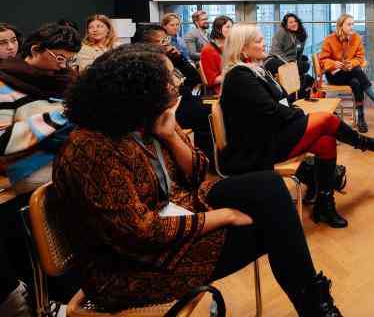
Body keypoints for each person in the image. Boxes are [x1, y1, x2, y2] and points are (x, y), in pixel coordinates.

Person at [52, 44, 343, 315]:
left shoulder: (151, 121)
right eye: (166, 80)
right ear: (136, 92)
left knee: (267, 186)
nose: (176, 83)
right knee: (273, 229)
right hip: (128, 267)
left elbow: (196, 175)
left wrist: (169, 136)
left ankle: (317, 306)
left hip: (177, 211)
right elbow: (142, 232)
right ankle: (318, 308)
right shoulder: (91, 148)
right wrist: (223, 216)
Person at [220, 24, 374, 229]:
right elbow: (272, 110)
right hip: (258, 147)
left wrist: (294, 112)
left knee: (326, 140)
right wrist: (299, 114)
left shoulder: (256, 69)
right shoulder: (239, 76)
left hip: (271, 132)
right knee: (327, 120)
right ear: (243, 48)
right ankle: (370, 144)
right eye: (258, 41)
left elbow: (280, 102)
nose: (264, 42)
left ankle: (325, 203)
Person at [0, 23, 80, 193]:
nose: (64, 65)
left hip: (71, 153)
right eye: (60, 58)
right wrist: (59, 118)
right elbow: (2, 139)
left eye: (70, 59)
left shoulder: (64, 78)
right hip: (31, 167)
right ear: (36, 50)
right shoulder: (4, 84)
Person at [132, 25, 214, 161]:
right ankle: (205, 159)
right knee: (208, 113)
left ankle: (205, 158)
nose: (167, 44)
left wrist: (179, 59)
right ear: (145, 45)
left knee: (213, 109)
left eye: (167, 40)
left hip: (183, 101)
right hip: (166, 110)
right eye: (162, 41)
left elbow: (195, 79)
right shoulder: (142, 64)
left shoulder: (168, 58)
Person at [319, 14, 374, 133]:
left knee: (356, 82)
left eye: (352, 24)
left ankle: (361, 117)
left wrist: (352, 63)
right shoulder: (329, 39)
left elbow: (360, 58)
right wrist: (334, 63)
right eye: (349, 24)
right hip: (334, 75)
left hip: (350, 73)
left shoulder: (356, 38)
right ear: (340, 26)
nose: (352, 27)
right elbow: (322, 60)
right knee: (357, 71)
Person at [267, 13, 313, 98]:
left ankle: (298, 95)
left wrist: (295, 61)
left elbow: (298, 53)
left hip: (290, 61)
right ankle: (295, 95)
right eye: (290, 22)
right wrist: (290, 62)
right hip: (274, 59)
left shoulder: (300, 34)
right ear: (286, 25)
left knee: (304, 64)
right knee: (302, 66)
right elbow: (276, 51)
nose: (294, 23)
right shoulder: (282, 32)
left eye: (295, 21)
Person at [200, 16, 232, 96]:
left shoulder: (231, 47)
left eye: (232, 27)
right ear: (218, 29)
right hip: (220, 91)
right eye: (228, 27)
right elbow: (212, 81)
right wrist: (235, 73)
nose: (231, 30)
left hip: (230, 85)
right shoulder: (208, 50)